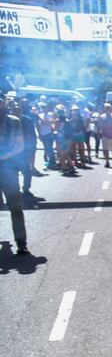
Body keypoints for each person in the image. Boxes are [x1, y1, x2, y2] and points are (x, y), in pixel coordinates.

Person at [0, 91, 29, 255]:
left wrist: (4, 156)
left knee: (15, 207)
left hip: (8, 169)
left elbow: (20, 145)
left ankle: (21, 242)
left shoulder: (13, 121)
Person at [98, 103, 112, 168]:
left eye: (109, 108)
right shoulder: (102, 116)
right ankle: (107, 161)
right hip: (105, 135)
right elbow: (99, 125)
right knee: (105, 149)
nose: (107, 109)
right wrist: (99, 132)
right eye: (106, 108)